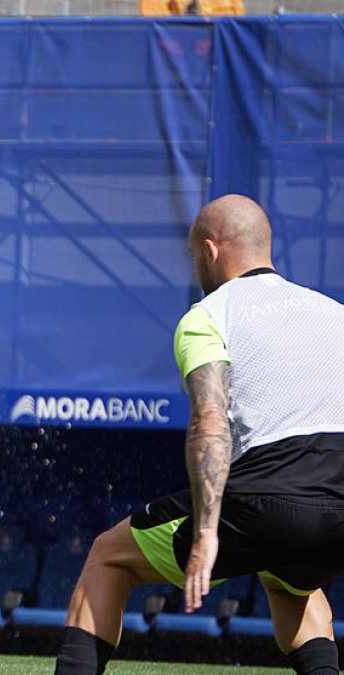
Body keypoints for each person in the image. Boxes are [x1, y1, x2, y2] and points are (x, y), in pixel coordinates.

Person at [55, 194, 344, 675]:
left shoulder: (209, 315)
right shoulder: (334, 313)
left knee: (108, 556)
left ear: (210, 251)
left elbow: (210, 419)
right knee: (292, 581)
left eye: (193, 255)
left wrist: (207, 532)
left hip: (266, 501)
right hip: (338, 506)